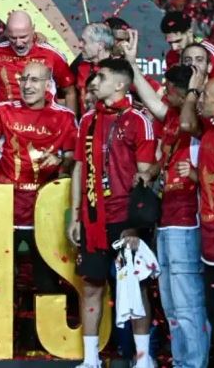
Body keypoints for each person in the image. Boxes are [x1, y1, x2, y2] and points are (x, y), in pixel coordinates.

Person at [0, 61, 78, 351]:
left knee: (45, 280)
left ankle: (48, 339)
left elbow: (74, 160)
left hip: (44, 214)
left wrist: (62, 160)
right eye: (24, 79)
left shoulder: (65, 117)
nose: (28, 85)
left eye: (35, 80)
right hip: (4, 210)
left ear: (48, 84)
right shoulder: (3, 111)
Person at [124, 40, 209, 368]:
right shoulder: (172, 116)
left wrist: (192, 93)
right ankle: (181, 361)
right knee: (172, 305)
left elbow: (190, 124)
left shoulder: (195, 117)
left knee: (188, 305)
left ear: (181, 91)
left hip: (188, 220)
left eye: (170, 90)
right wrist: (132, 64)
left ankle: (193, 364)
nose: (164, 95)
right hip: (167, 218)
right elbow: (152, 99)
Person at [68, 58, 157, 368]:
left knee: (135, 287)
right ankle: (90, 359)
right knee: (91, 286)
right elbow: (79, 167)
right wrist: (75, 215)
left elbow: (145, 174)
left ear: (120, 84)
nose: (95, 80)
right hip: (93, 216)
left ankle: (144, 360)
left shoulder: (138, 119)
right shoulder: (88, 120)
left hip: (124, 219)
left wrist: (135, 226)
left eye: (101, 76)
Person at [0, 11, 76, 109]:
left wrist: (71, 122)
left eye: (23, 37)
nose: (18, 43)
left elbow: (70, 92)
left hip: (43, 121)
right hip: (6, 122)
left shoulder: (52, 54)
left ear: (33, 30)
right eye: (13, 38)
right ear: (6, 33)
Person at [194, 79, 214, 365]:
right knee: (213, 313)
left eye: (205, 95)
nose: (200, 98)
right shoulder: (210, 132)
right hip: (210, 240)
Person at [71, 22, 116, 115]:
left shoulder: (120, 69)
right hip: (85, 125)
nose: (80, 45)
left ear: (100, 45)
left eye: (84, 41)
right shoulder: (80, 66)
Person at [161, 10, 214, 77]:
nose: (174, 47)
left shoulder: (211, 54)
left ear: (190, 32)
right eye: (170, 43)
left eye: (178, 41)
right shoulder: (171, 56)